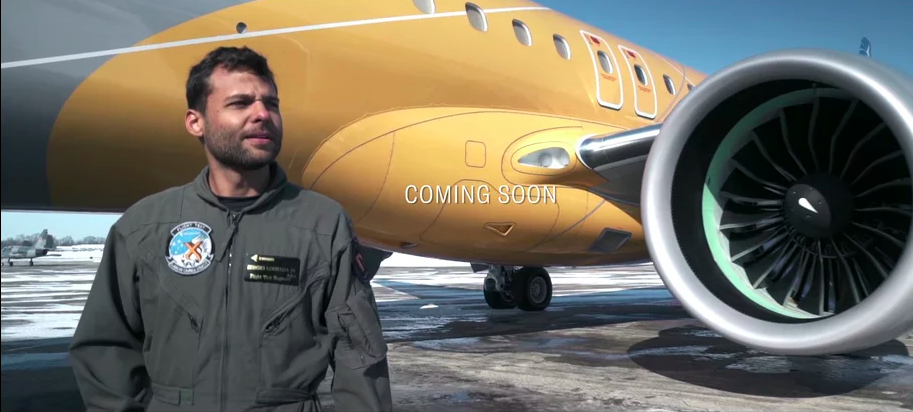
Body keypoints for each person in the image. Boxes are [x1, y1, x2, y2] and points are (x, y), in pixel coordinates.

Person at [68, 46, 392, 412]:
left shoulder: (322, 225)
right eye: (240, 103)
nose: (262, 115)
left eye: (271, 103)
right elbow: (106, 345)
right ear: (196, 122)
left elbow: (359, 357)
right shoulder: (144, 227)